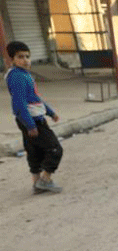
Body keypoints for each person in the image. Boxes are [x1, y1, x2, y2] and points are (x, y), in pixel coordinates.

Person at [5, 41, 63, 194]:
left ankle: (36, 184)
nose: (25, 60)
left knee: (34, 151)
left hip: (31, 118)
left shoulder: (24, 75)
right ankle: (45, 180)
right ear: (12, 59)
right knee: (55, 148)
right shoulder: (17, 77)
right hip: (32, 120)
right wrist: (30, 125)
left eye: (27, 56)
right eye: (20, 57)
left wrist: (50, 112)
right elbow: (18, 104)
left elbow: (35, 98)